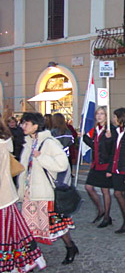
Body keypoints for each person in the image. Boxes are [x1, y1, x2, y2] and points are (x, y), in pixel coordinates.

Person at [17, 112, 78, 265]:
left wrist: (41, 157)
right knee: (27, 226)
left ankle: (70, 247)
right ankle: (33, 257)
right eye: (23, 123)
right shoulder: (28, 142)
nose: (23, 126)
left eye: (26, 123)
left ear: (36, 126)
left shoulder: (49, 142)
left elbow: (62, 164)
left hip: (45, 192)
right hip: (29, 191)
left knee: (56, 225)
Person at [0, 118, 46, 273]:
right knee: (14, 234)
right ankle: (23, 263)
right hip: (8, 196)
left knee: (8, 236)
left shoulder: (1, 146)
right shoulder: (6, 143)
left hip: (4, 198)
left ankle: (17, 264)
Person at [83, 106, 115, 227]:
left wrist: (110, 168)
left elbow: (113, 149)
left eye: (102, 114)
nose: (99, 116)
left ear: (106, 116)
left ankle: (107, 217)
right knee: (88, 187)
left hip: (106, 164)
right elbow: (95, 145)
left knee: (105, 190)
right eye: (98, 114)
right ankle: (101, 210)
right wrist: (84, 137)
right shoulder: (96, 129)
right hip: (96, 163)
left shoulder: (110, 129)